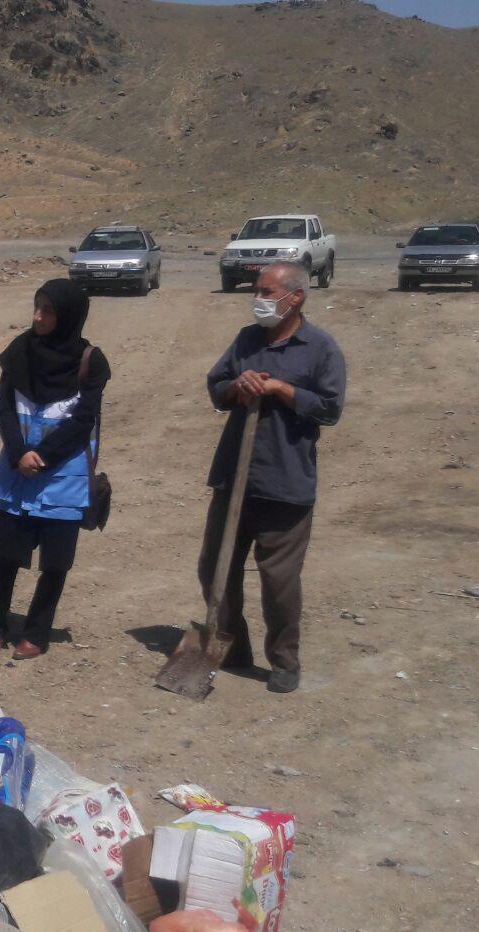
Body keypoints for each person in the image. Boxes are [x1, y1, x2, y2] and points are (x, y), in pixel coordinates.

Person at [200, 261, 346, 693]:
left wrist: (282, 389)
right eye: (257, 291)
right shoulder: (247, 339)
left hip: (285, 482)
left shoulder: (320, 348)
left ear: (295, 297)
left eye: (267, 292)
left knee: (278, 581)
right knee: (215, 568)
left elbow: (330, 409)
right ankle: (231, 645)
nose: (258, 299)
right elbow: (217, 387)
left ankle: (284, 660)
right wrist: (236, 385)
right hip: (234, 477)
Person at [0, 279, 110, 660]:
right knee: (1, 554)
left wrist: (43, 457)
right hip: (16, 473)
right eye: (36, 308)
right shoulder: (19, 351)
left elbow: (83, 420)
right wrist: (19, 453)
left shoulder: (90, 361)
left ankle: (36, 633)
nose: (38, 317)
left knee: (55, 563)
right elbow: (4, 409)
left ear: (67, 316)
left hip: (63, 480)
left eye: (48, 311)